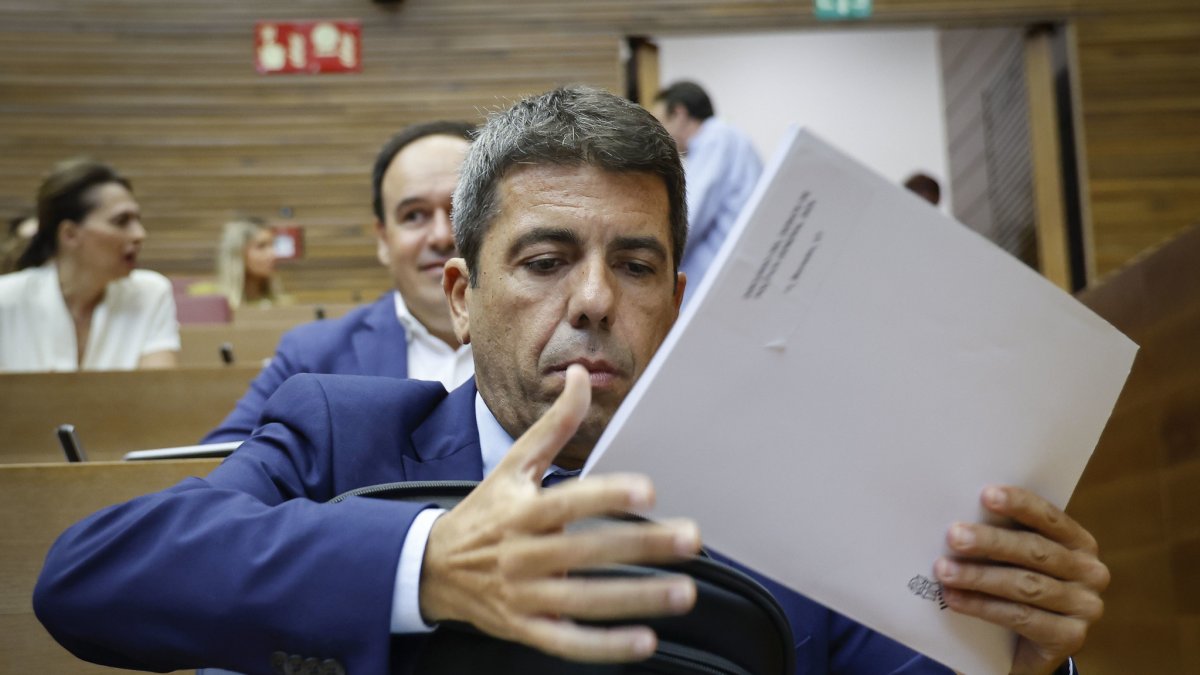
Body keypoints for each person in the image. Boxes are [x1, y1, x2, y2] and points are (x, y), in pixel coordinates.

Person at [35, 88, 1103, 675]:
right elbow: (90, 580)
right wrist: (428, 561)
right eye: (544, 262)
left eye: (635, 266)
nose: (593, 300)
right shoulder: (341, 435)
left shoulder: (793, 502)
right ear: (459, 295)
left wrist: (1011, 650)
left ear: (678, 298)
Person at [201, 121, 476, 443]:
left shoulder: (545, 342)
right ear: (383, 240)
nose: (442, 236)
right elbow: (219, 465)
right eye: (414, 215)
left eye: (461, 210)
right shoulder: (312, 357)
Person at [0, 159, 179, 372]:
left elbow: (156, 397)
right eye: (121, 221)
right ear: (70, 234)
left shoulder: (150, 294)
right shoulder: (6, 300)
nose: (140, 234)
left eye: (137, 220)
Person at [652, 80, 762, 295]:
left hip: (726, 280)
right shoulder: (723, 139)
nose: (660, 133)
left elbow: (689, 217)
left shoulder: (716, 137)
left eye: (660, 121)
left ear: (679, 114)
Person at [212, 217, 285, 310]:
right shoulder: (209, 302)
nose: (273, 254)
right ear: (237, 252)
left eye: (273, 245)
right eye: (261, 246)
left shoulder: (283, 303)